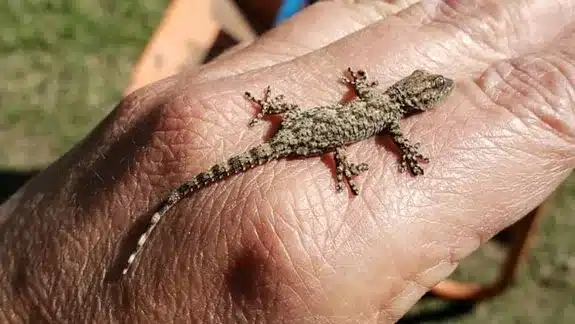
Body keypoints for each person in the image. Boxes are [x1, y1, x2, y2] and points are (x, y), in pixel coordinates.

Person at [1, 0, 574, 322]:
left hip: (296, 126)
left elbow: (361, 99)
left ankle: (168, 206)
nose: (430, 95)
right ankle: (162, 213)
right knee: (313, 158)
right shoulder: (388, 120)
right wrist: (351, 164)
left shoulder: (376, 104)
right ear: (414, 100)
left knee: (288, 143)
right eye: (430, 94)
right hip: (308, 138)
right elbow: (394, 143)